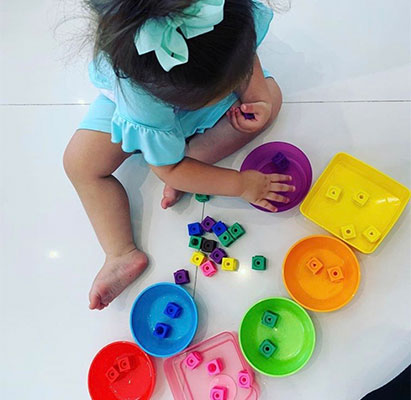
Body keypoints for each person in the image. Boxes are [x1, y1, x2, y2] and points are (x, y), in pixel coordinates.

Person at [63, 0, 295, 310]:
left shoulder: (224, 14)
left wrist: (258, 98)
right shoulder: (139, 98)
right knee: (79, 165)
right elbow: (167, 169)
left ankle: (193, 164)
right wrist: (241, 184)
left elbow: (244, 51)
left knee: (273, 97)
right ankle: (120, 253)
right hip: (143, 106)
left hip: (203, 73)